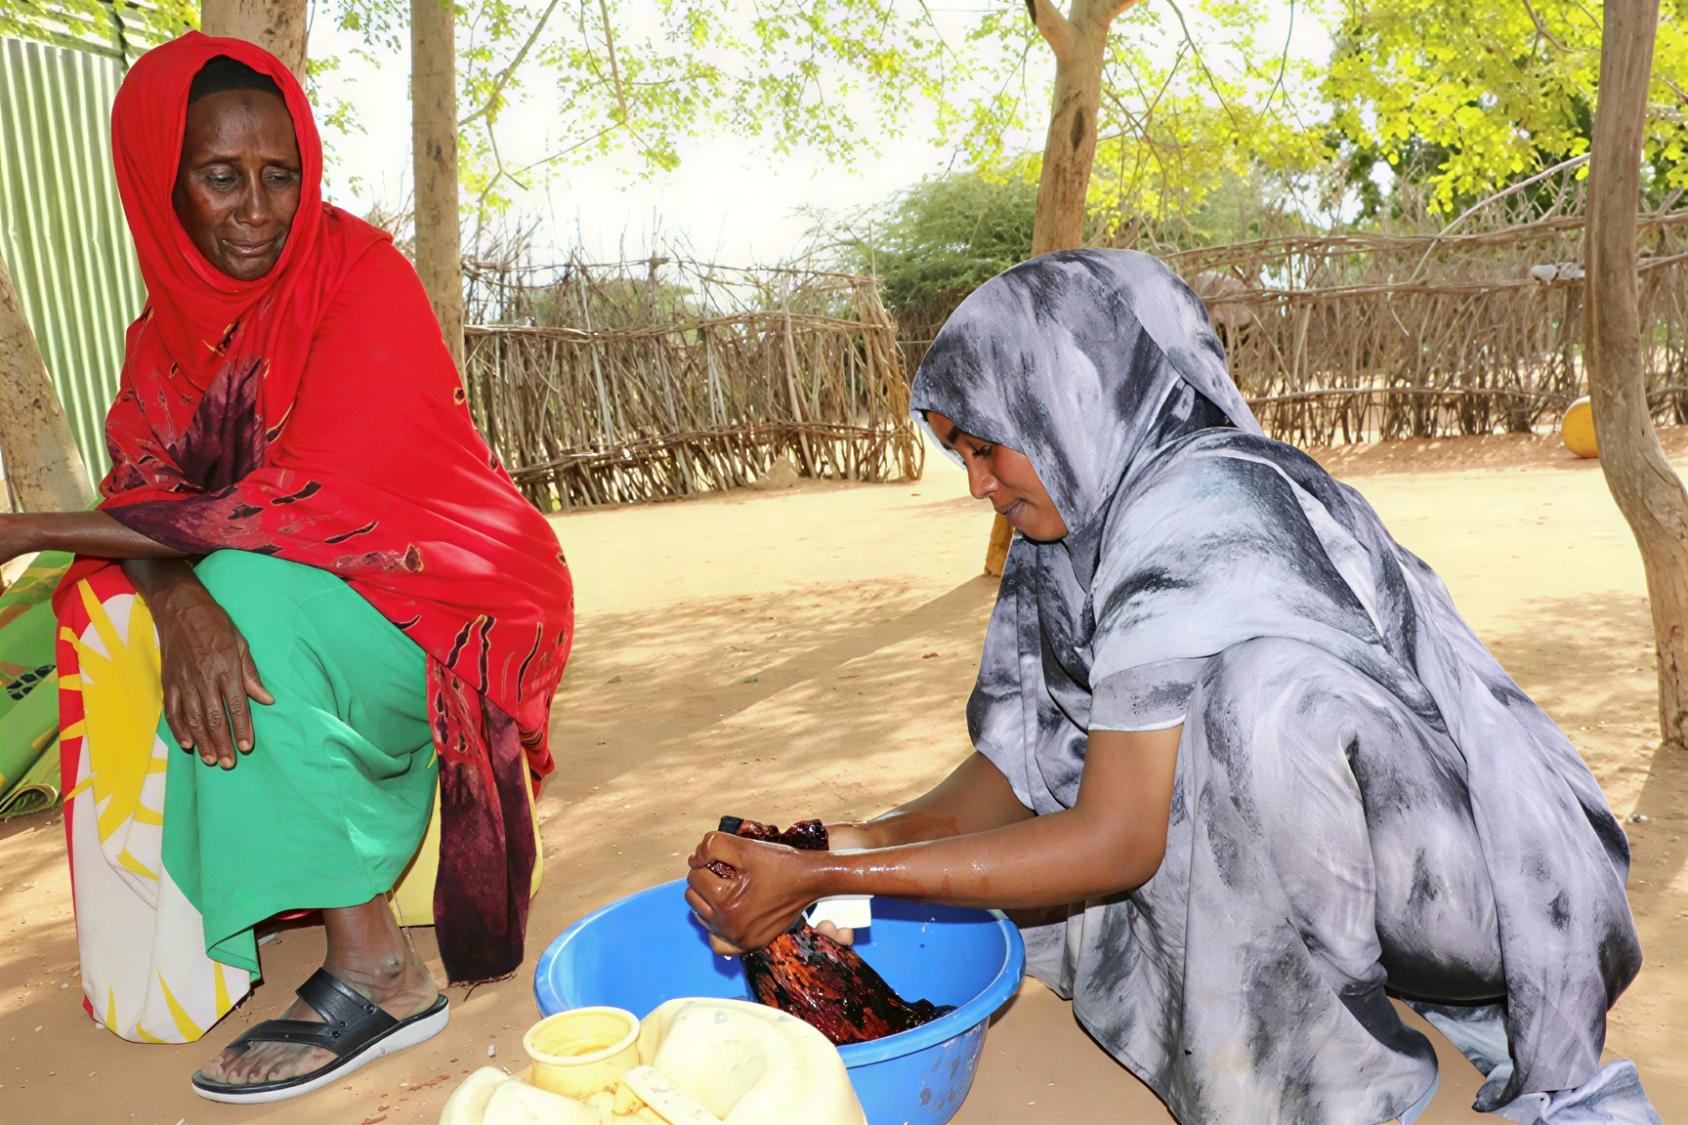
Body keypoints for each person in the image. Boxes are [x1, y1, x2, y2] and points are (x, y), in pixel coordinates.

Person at [685, 250, 1656, 1124]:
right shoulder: (1066, 526)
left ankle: (1315, 1087)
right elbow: (1014, 769)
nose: (976, 483)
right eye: (958, 454)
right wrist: (825, 845)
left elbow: (1116, 838)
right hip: (1359, 876)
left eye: (985, 445)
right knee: (1130, 743)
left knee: (1255, 705)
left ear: (1063, 398)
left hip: (1491, 887)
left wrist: (826, 882)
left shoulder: (1205, 501)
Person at [0, 33, 573, 1104]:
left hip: (456, 604)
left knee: (247, 594)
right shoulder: (157, 340)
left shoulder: (357, 276)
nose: (259, 210)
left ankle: (381, 973)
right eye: (221, 178)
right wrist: (176, 602)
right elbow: (152, 500)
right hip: (311, 593)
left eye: (283, 175)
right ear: (159, 183)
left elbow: (300, 504)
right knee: (202, 600)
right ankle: (297, 871)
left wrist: (31, 528)